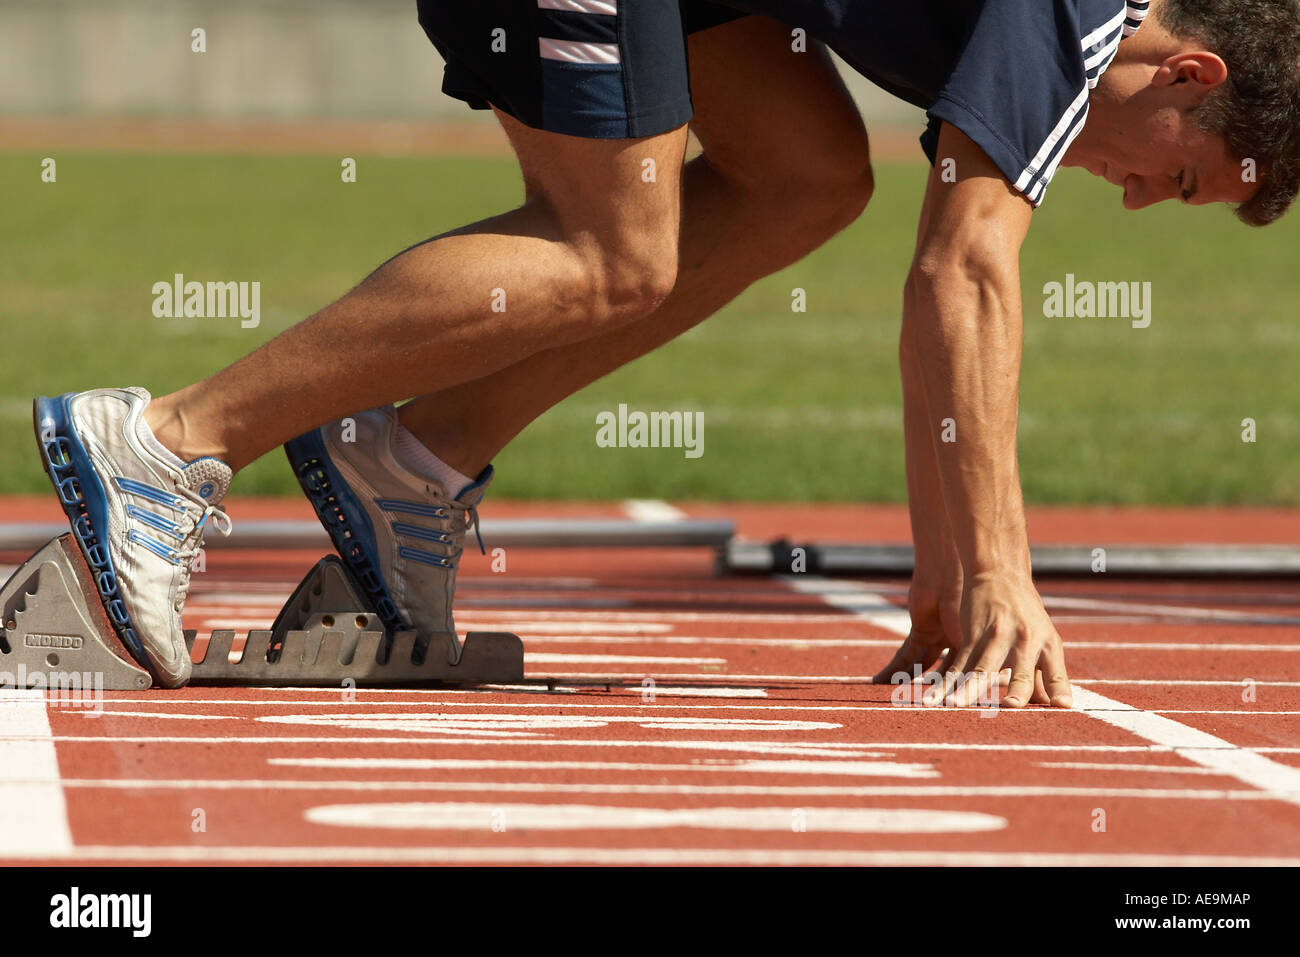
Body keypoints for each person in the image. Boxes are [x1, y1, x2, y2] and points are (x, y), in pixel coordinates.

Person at [34, 1, 1297, 700]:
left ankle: (407, 466)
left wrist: (942, 591)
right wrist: (1000, 573)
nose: (1134, 198)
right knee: (611, 250)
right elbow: (963, 272)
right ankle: (159, 446)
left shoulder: (1072, 32)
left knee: (803, 177)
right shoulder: (1064, 21)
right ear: (1185, 71)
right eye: (1175, 176)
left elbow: (949, 284)